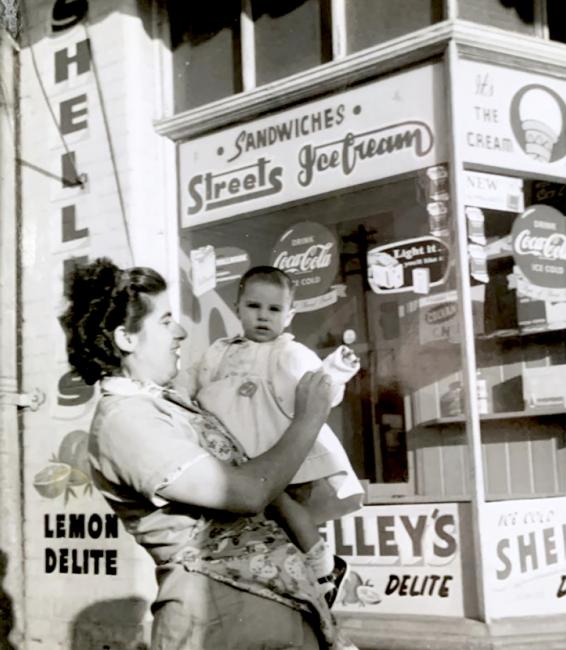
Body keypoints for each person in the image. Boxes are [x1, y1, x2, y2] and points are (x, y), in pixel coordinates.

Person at [59, 257, 358, 650]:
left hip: (263, 615)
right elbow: (248, 493)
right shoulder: (125, 422)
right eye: (165, 321)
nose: (181, 331)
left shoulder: (166, 405)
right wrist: (309, 417)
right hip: (217, 623)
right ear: (126, 339)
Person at [191, 266, 364, 606]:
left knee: (281, 503)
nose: (263, 316)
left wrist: (336, 371)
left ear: (289, 316)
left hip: (273, 448)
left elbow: (319, 389)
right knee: (253, 522)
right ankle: (285, 580)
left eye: (274, 310)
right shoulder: (219, 352)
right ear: (238, 307)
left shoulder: (289, 352)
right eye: (254, 306)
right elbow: (194, 383)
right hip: (232, 451)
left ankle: (323, 566)